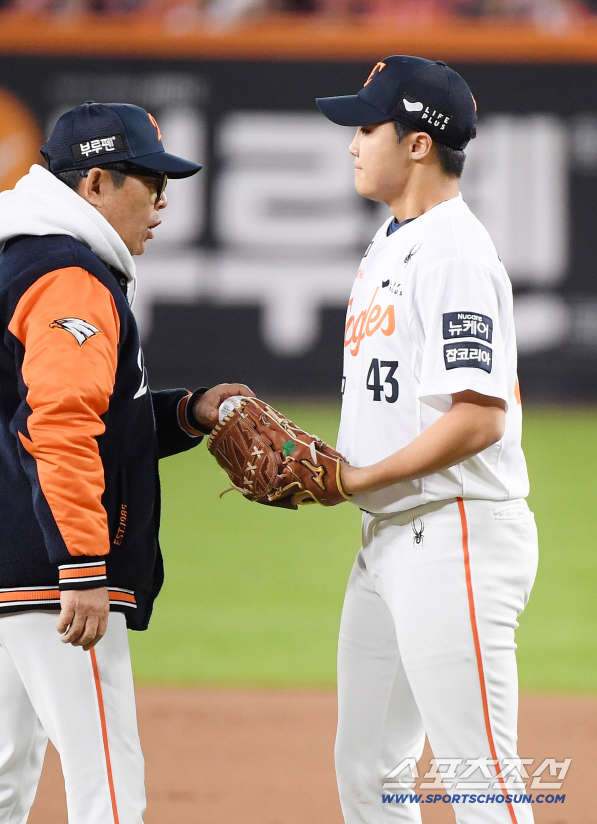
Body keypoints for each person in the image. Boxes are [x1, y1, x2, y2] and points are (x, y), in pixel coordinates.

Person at [0, 101, 252, 824]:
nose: (163, 199)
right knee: (108, 787)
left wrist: (185, 411)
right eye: (149, 180)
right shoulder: (69, 275)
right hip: (46, 574)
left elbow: (88, 412)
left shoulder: (27, 258)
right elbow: (64, 426)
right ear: (97, 182)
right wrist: (81, 565)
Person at [316, 56, 539, 824]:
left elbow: (479, 416)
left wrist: (353, 476)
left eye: (367, 125)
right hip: (391, 537)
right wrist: (341, 468)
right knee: (370, 770)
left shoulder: (452, 251)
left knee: (480, 778)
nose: (352, 141)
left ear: (417, 143)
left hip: (456, 534)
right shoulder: (390, 244)